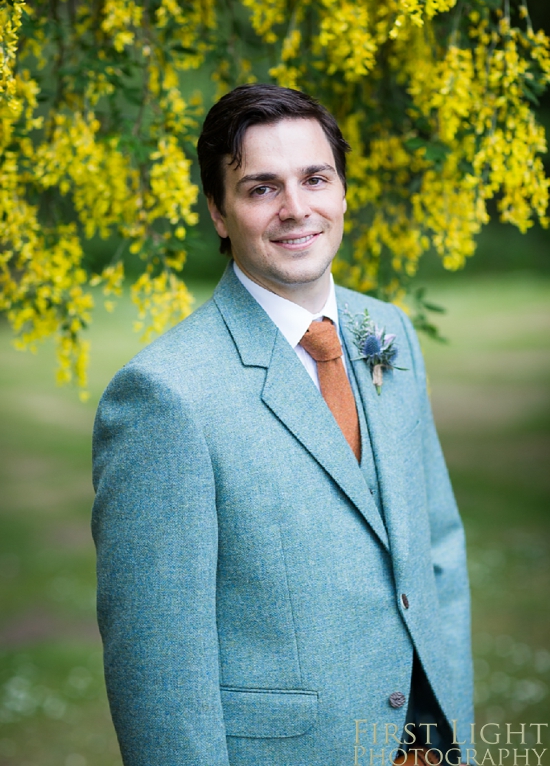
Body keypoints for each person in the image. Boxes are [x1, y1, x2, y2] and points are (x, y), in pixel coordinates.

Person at [92, 84, 473, 766]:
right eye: (262, 188)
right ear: (218, 210)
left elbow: (436, 545)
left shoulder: (387, 331)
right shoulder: (165, 395)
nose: (297, 208)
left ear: (344, 192)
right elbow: (160, 667)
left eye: (315, 178)